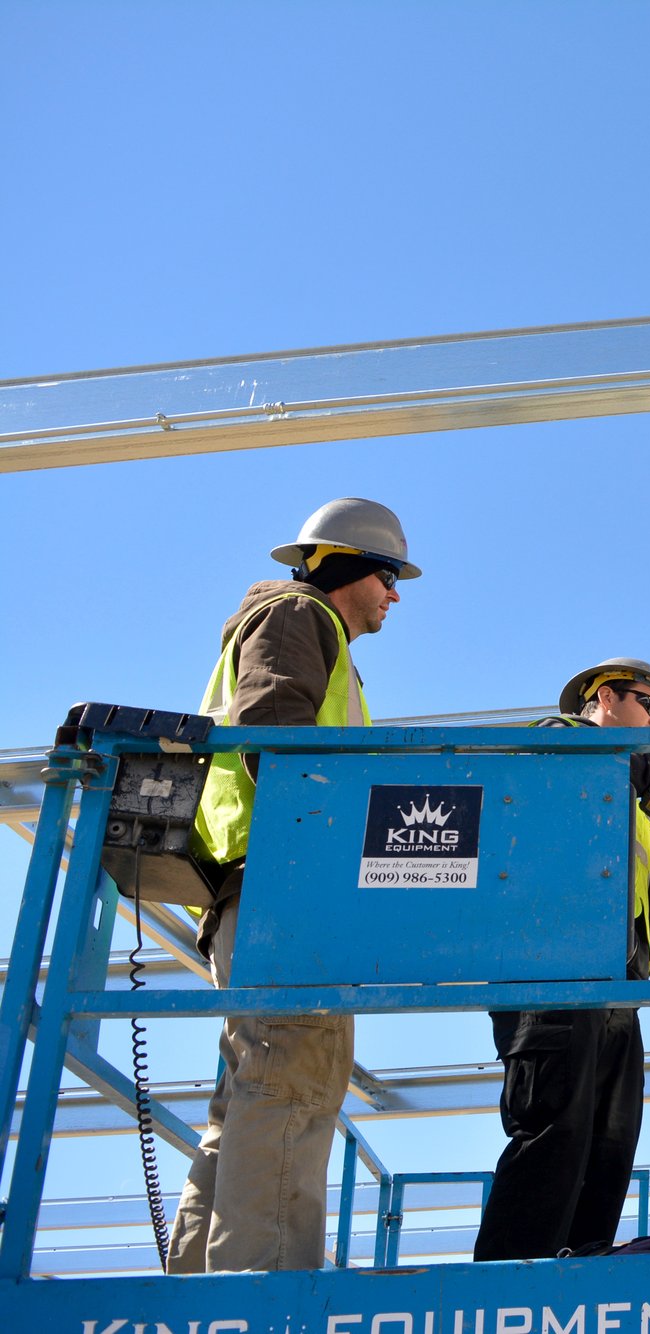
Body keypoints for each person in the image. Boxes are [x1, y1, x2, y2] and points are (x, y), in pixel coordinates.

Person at [166, 497, 419, 1274]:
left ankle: (194, 1298)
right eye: (388, 576)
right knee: (295, 1082)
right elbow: (276, 731)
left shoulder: (302, 626)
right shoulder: (299, 614)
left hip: (261, 888)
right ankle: (263, 1297)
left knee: (254, 1091)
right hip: (287, 887)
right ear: (347, 566)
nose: (395, 596)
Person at [472, 657, 650, 1261]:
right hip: (550, 977)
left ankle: (578, 1285)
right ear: (603, 697)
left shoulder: (634, 805)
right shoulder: (554, 742)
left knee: (606, 1146)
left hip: (614, 992)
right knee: (554, 1131)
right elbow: (565, 763)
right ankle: (506, 1291)